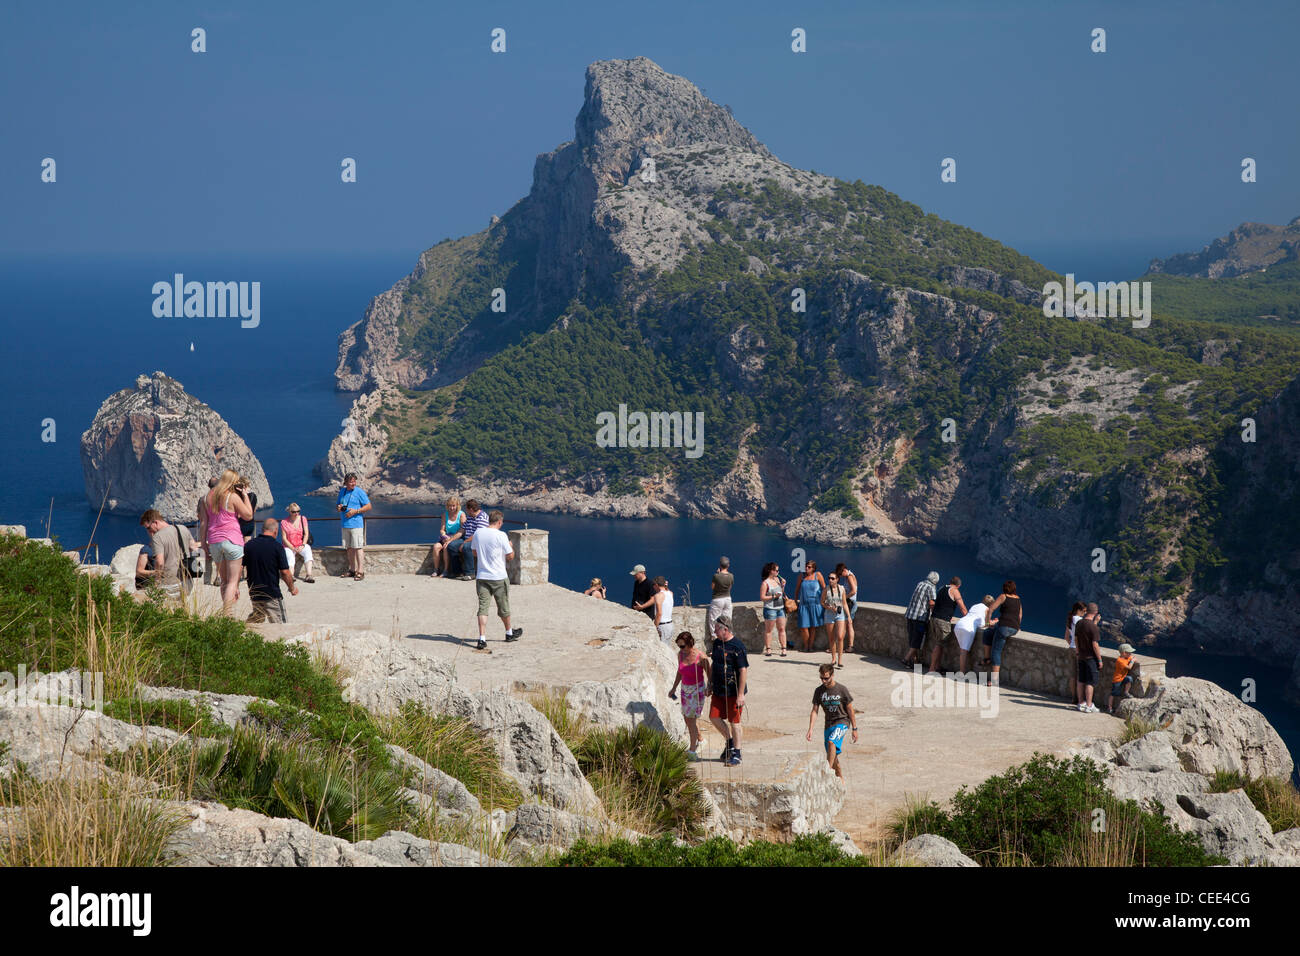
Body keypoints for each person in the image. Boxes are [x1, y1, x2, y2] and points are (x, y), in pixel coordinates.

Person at [199, 468, 254, 616]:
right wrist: (245, 495)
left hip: (214, 541)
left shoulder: (206, 498)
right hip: (232, 540)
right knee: (233, 581)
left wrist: (203, 544)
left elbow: (204, 522)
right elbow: (248, 515)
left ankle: (227, 614)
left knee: (223, 580)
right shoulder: (231, 496)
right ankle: (227, 614)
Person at [469, 510, 522, 649]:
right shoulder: (501, 535)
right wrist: (510, 546)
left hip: (482, 577)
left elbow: (474, 552)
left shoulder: (478, 533)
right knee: (503, 606)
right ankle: (509, 633)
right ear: (499, 522)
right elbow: (510, 557)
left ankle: (481, 638)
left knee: (483, 608)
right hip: (498, 577)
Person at [807, 663, 858, 782]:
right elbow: (815, 711)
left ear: (832, 675)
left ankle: (826, 773)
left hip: (842, 721)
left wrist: (854, 729)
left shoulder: (841, 689)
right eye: (821, 678)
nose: (823, 681)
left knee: (831, 742)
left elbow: (850, 709)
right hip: (828, 725)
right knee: (833, 757)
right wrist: (810, 729)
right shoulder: (819, 691)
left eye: (826, 678)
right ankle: (841, 781)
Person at [708, 615, 749, 766]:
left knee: (735, 722)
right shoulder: (717, 644)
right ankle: (729, 741)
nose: (714, 631)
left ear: (725, 629)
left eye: (717, 628)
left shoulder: (738, 647)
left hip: (733, 691)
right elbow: (714, 664)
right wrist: (709, 684)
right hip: (718, 690)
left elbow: (743, 670)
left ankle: (737, 754)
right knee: (714, 717)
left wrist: (740, 694)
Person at [244, 518, 299, 623]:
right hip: (272, 594)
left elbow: (240, 567)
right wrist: (292, 588)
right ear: (276, 531)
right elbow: (285, 572)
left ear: (262, 529)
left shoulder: (249, 546)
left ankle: (242, 633)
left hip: (255, 592)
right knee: (280, 625)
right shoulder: (277, 547)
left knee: (257, 620)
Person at [668, 632, 711, 760]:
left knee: (691, 720)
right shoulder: (680, 655)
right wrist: (674, 688)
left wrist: (709, 688)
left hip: (697, 692)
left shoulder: (700, 657)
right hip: (685, 690)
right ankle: (700, 739)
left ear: (690, 644)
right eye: (678, 646)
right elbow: (680, 672)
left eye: (682, 646)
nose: (680, 649)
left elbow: (710, 674)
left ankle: (692, 750)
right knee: (687, 718)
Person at [139, 509, 199, 598]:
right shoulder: (183, 528)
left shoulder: (157, 537)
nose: (149, 532)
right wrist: (197, 568)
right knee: (182, 607)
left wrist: (157, 582)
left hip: (170, 583)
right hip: (188, 580)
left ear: (155, 522)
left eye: (148, 528)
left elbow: (160, 562)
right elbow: (195, 549)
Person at [926, 576, 968, 675]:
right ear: (959, 585)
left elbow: (937, 603)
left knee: (939, 644)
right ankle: (932, 669)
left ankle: (937, 667)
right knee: (939, 644)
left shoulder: (942, 588)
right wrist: (969, 618)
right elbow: (962, 608)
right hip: (942, 621)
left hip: (934, 618)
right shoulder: (954, 591)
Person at [984, 580, 1024, 682]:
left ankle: (994, 680)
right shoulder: (1018, 599)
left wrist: (988, 623)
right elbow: (1020, 615)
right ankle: (986, 658)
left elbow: (991, 609)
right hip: (1014, 628)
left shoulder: (1003, 596)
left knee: (996, 652)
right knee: (988, 633)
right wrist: (1018, 626)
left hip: (1004, 627)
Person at [337, 472, 371, 581]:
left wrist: (356, 511)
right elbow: (338, 505)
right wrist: (339, 507)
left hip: (356, 524)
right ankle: (352, 570)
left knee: (358, 547)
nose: (353, 483)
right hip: (345, 524)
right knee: (349, 548)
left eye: (354, 481)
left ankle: (360, 571)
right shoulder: (342, 491)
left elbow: (369, 506)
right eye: (351, 481)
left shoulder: (359, 492)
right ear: (346, 482)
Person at [901, 572, 938, 668]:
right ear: (935, 581)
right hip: (920, 618)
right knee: (917, 640)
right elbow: (931, 603)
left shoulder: (920, 583)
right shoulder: (931, 587)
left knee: (912, 640)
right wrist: (935, 613)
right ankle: (906, 659)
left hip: (910, 615)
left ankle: (914, 664)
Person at [952, 596, 994, 674]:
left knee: (963, 650)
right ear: (991, 604)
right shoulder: (987, 609)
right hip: (968, 628)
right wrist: (993, 622)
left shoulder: (975, 605)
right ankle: (962, 673)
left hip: (959, 624)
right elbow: (985, 625)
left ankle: (963, 671)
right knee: (964, 651)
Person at [1074, 602, 1102, 713]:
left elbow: (1076, 639)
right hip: (1090, 657)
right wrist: (1099, 659)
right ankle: (1089, 705)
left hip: (1081, 655)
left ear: (1086, 611)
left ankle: (1081, 703)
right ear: (1095, 612)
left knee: (1081, 680)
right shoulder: (1093, 628)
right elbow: (1095, 644)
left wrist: (1077, 652)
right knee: (1090, 682)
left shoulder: (1079, 623)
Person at [450, 499, 486, 580]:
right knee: (451, 545)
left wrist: (464, 542)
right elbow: (462, 530)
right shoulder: (470, 517)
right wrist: (450, 540)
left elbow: (477, 535)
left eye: (466, 509)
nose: (466, 511)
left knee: (466, 547)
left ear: (471, 509)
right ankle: (457, 572)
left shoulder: (482, 517)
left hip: (478, 541)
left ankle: (471, 573)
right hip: (467, 539)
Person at [280, 504, 315, 583]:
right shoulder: (284, 522)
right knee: (290, 557)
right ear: (289, 512)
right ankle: (291, 576)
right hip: (289, 546)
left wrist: (303, 545)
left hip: (300, 544)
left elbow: (306, 534)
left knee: (308, 551)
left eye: (298, 511)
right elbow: (284, 538)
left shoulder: (303, 519)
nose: (296, 513)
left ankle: (309, 575)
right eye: (294, 512)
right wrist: (292, 548)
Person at [821, 570, 849, 670]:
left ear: (837, 579)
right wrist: (829, 607)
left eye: (832, 578)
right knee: (832, 638)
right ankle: (833, 658)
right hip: (829, 615)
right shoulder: (826, 589)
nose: (830, 580)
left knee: (840, 637)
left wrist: (848, 616)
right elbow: (822, 602)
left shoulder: (841, 589)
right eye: (829, 578)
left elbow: (845, 603)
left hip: (840, 614)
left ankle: (840, 660)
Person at [759, 562, 788, 656]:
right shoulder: (765, 583)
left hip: (780, 608)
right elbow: (762, 597)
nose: (777, 572)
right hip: (770, 608)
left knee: (782, 628)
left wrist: (783, 585)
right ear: (770, 571)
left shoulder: (777, 580)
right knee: (769, 630)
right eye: (776, 570)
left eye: (778, 570)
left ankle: (783, 648)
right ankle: (768, 649)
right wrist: (773, 596)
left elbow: (781, 592)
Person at [431, 495, 464, 578]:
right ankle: (436, 569)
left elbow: (463, 530)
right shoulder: (445, 515)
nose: (452, 508)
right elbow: (442, 529)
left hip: (457, 537)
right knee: (436, 547)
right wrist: (444, 535)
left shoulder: (461, 515)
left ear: (457, 506)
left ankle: (446, 570)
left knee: (446, 548)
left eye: (453, 506)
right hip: (446, 537)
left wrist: (450, 539)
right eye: (450, 506)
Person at [796, 561, 826, 652]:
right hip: (804, 605)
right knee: (804, 627)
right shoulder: (802, 576)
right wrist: (795, 600)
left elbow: (824, 588)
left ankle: (810, 647)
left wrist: (824, 600)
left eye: (809, 567)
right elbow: (797, 589)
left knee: (813, 627)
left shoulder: (818, 575)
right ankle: (806, 645)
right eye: (806, 567)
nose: (806, 568)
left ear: (813, 568)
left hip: (815, 604)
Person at [636, 576, 675, 644]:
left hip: (662, 626)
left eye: (653, 585)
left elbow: (659, 613)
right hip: (670, 625)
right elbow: (665, 590)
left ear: (656, 585)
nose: (653, 587)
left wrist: (655, 627)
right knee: (667, 646)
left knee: (662, 647)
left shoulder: (658, 596)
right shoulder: (670, 593)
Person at [1065, 601, 1087, 707]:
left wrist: (1072, 644)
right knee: (1080, 676)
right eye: (1084, 611)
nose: (1085, 613)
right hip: (1079, 650)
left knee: (1072, 675)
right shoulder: (1080, 621)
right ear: (1079, 610)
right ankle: (1080, 699)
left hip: (1071, 649)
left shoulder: (1070, 619)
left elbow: (1066, 637)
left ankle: (1073, 697)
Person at [707, 556, 734, 638]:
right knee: (727, 619)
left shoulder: (716, 576)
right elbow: (730, 587)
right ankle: (728, 636)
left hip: (717, 599)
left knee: (714, 619)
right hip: (727, 599)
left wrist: (718, 574)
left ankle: (715, 637)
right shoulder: (731, 576)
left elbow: (712, 587)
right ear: (728, 565)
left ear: (720, 565)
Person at [835, 563, 858, 652]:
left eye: (840, 574)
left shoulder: (849, 577)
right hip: (852, 602)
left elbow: (853, 591)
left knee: (844, 624)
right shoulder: (850, 575)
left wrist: (844, 598)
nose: (840, 576)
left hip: (850, 603)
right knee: (849, 624)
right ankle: (850, 646)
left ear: (844, 570)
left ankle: (839, 646)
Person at [1109, 643, 1136, 714]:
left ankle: (1126, 692)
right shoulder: (1120, 661)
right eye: (1129, 653)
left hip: (1123, 678)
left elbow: (1133, 658)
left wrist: (1132, 659)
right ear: (1124, 653)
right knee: (1114, 693)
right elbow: (1129, 667)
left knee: (1129, 679)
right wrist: (1132, 661)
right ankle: (1110, 708)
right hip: (1117, 679)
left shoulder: (1127, 657)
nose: (1130, 654)